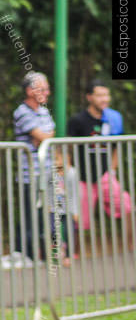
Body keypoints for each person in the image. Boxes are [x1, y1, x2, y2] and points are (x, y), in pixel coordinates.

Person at [66, 79, 132, 250]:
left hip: (104, 175)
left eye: (106, 95)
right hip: (82, 177)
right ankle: (74, 253)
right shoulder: (78, 120)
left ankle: (130, 247)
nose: (104, 99)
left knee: (127, 206)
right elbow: (67, 148)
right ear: (89, 97)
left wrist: (112, 171)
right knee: (79, 219)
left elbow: (117, 146)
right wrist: (68, 172)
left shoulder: (114, 118)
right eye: (99, 95)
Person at [13, 71, 55, 262]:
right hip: (29, 174)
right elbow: (43, 137)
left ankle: (43, 257)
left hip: (46, 173)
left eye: (47, 89)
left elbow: (49, 136)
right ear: (30, 91)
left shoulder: (44, 110)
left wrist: (42, 137)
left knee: (45, 216)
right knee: (29, 218)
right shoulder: (22, 111)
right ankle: (26, 256)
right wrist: (42, 137)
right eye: (42, 89)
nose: (47, 92)